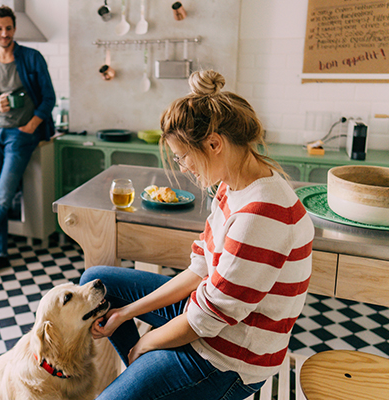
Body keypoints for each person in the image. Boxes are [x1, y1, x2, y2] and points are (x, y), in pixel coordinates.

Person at [80, 70, 314, 400]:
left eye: (184, 157)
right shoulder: (232, 186)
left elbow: (204, 321)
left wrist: (144, 345)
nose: (184, 168)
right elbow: (201, 269)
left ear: (214, 144)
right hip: (208, 321)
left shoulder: (262, 215)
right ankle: (150, 382)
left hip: (228, 360)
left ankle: (147, 380)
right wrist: (125, 313)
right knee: (98, 283)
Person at [0, 5, 56, 279]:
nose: (4, 33)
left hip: (20, 135)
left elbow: (48, 98)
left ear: (14, 29)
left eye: (9, 28)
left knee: (3, 195)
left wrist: (31, 126)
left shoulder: (31, 58)